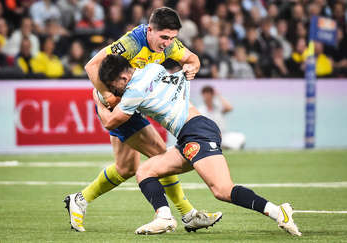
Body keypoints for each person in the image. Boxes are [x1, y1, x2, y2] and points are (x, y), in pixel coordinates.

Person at [94, 54, 302, 236]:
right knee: (146, 170)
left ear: (123, 78)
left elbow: (109, 122)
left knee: (222, 190)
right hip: (191, 133)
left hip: (197, 132)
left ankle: (277, 212)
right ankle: (164, 217)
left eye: (114, 86)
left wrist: (97, 97)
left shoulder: (133, 92)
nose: (114, 91)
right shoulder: (153, 68)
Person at [64, 6, 222, 233]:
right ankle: (187, 214)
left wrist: (191, 66)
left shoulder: (169, 44)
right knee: (160, 154)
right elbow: (92, 65)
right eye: (164, 37)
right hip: (120, 104)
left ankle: (79, 200)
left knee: (125, 168)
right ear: (150, 30)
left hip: (133, 104)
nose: (168, 43)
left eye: (172, 38)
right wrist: (107, 96)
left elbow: (192, 58)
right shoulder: (132, 43)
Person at [197, 86, 245, 150]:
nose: (207, 97)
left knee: (240, 137)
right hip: (209, 136)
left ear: (212, 95)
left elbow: (229, 108)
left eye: (209, 94)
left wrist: (218, 95)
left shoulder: (218, 106)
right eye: (206, 94)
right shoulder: (200, 109)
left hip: (223, 135)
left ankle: (222, 146)